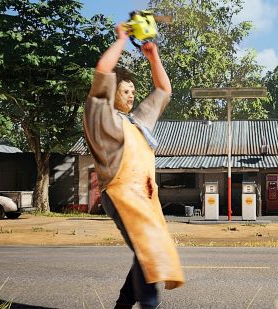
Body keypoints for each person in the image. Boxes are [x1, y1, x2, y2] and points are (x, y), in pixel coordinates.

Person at [83, 23, 185, 309]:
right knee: (148, 249)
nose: (131, 95)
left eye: (133, 91)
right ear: (111, 91)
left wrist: (153, 56)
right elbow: (103, 71)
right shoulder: (100, 117)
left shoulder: (137, 122)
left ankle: (124, 304)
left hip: (146, 197)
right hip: (121, 193)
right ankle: (148, 306)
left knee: (150, 252)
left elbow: (164, 89)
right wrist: (121, 39)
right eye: (126, 90)